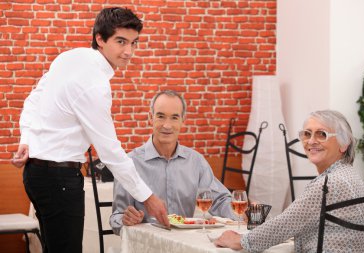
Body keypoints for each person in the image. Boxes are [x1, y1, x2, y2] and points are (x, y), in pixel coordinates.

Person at [11, 7, 168, 253]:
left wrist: (27, 138)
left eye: (134, 43)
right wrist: (148, 198)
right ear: (100, 39)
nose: (129, 52)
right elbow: (110, 151)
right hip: (58, 180)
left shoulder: (69, 57)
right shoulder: (94, 84)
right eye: (121, 42)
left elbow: (33, 98)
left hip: (36, 174)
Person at [213, 110, 364, 252]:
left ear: (344, 144)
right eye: (307, 134)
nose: (311, 141)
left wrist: (239, 241)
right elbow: (295, 221)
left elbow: (284, 225)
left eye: (321, 134)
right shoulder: (349, 175)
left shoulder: (329, 183)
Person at [109, 90, 237, 235]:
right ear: (151, 117)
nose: (167, 125)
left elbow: (220, 200)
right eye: (161, 116)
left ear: (183, 120)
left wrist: (243, 212)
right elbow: (116, 218)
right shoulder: (130, 163)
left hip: (184, 245)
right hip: (146, 246)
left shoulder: (196, 161)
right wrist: (126, 220)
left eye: (174, 117)